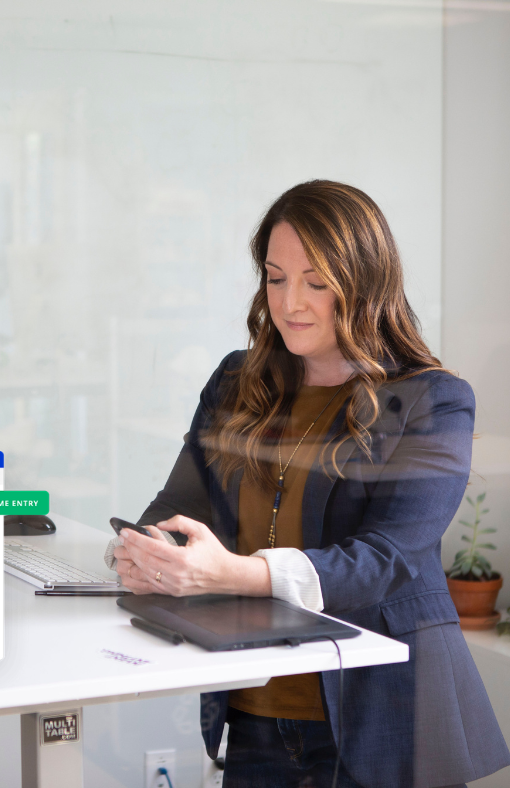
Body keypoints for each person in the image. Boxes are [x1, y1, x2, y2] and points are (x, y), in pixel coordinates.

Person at [105, 181, 510, 788]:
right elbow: (176, 508)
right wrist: (142, 553)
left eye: (316, 282)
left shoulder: (433, 400)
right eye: (275, 277)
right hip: (255, 714)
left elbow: (387, 560)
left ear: (365, 283)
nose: (290, 301)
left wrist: (228, 573)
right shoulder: (237, 382)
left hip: (384, 719)